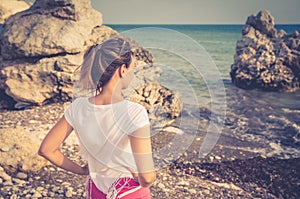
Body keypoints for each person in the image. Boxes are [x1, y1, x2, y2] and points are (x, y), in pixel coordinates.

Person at [38, 36, 156, 199]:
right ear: (122, 70)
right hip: (129, 192)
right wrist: (140, 176)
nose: (132, 74)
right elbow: (148, 177)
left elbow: (46, 149)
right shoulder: (135, 112)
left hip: (96, 191)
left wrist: (81, 170)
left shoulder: (78, 107)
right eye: (132, 69)